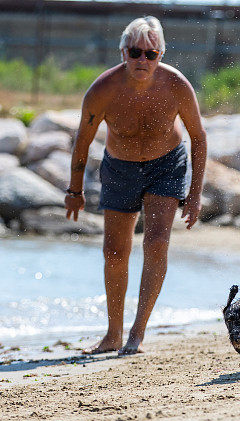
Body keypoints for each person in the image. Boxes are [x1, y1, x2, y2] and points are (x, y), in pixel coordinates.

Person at [65, 16, 207, 355]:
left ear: (160, 55)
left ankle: (137, 332)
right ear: (123, 53)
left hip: (166, 165)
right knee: (115, 252)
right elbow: (83, 141)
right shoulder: (103, 90)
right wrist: (75, 191)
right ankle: (113, 334)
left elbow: (198, 137)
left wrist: (195, 194)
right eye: (135, 52)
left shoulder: (176, 85)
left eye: (151, 54)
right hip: (120, 169)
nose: (142, 60)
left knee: (156, 243)